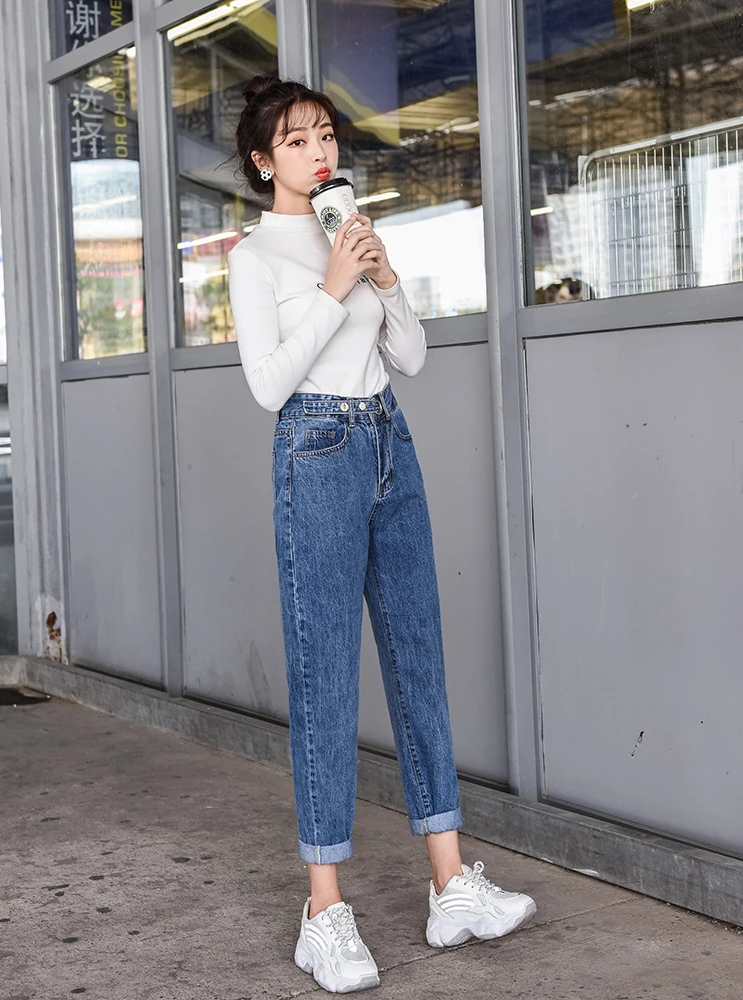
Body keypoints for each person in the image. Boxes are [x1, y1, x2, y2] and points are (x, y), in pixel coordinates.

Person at [227, 74, 536, 994]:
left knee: (418, 657)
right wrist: (331, 288)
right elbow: (267, 386)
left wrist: (384, 278)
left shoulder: (351, 230)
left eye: (325, 134)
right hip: (316, 449)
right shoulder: (254, 256)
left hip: (387, 440)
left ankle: (451, 885)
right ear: (263, 161)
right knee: (325, 677)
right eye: (296, 140)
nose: (318, 151)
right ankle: (324, 911)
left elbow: (411, 356)